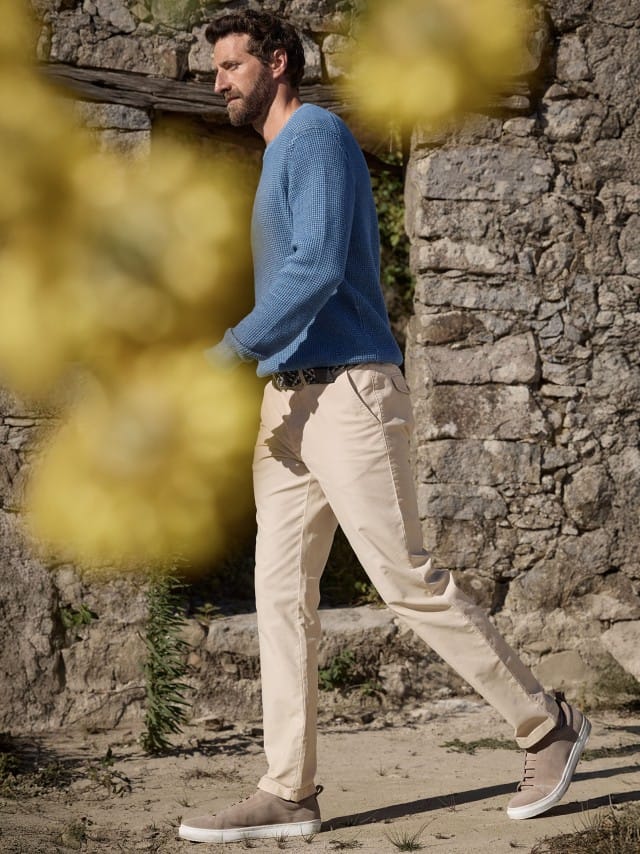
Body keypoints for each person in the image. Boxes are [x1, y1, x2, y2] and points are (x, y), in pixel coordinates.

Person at [178, 10, 591, 845]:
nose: (217, 81)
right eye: (214, 69)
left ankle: (546, 725)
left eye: (229, 65)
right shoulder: (275, 159)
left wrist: (228, 351)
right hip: (288, 401)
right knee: (280, 597)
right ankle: (288, 790)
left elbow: (319, 266)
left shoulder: (316, 136)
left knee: (403, 578)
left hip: (348, 395)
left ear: (278, 63)